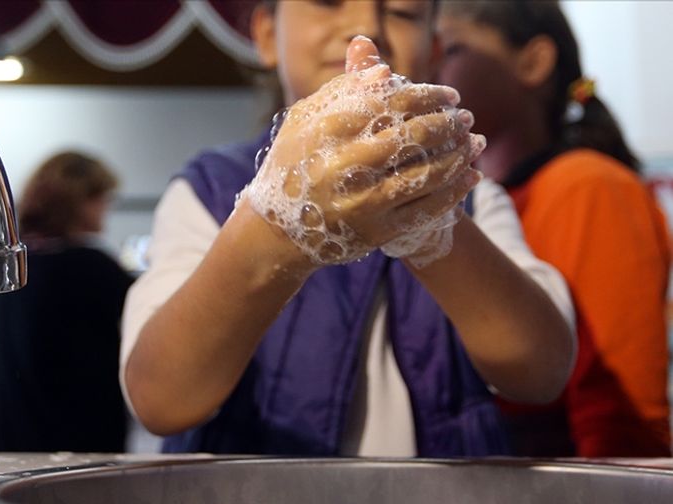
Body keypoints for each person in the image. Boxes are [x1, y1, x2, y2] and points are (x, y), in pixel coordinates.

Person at [121, 0, 575, 457]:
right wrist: (277, 220)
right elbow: (159, 398)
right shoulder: (207, 191)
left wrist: (431, 224)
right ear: (264, 35)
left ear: (434, 49)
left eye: (402, 12)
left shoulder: (473, 195)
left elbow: (541, 370)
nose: (365, 27)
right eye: (327, 2)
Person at [436, 1, 671, 457]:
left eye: (451, 48)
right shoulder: (484, 200)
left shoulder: (587, 185)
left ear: (533, 62)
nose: (430, 65)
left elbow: (620, 417)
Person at [0, 151, 133, 453]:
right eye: (102, 199)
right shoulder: (92, 266)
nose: (105, 209)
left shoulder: (16, 264)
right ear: (80, 201)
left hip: (17, 438)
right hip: (84, 441)